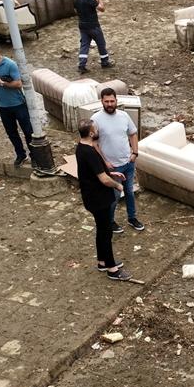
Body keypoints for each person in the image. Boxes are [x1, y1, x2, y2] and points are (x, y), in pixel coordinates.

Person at [76, 119, 131, 281]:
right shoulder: (90, 152)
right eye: (97, 129)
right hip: (98, 199)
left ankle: (102, 262)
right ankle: (112, 269)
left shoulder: (82, 148)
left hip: (92, 197)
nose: (99, 131)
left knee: (102, 230)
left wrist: (112, 174)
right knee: (106, 233)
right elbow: (103, 180)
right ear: (91, 133)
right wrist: (118, 186)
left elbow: (96, 172)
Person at [91, 88, 145, 232]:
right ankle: (109, 221)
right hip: (112, 167)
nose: (109, 104)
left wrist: (135, 153)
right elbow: (94, 144)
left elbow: (133, 134)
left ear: (116, 101)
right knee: (113, 197)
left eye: (112, 101)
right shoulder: (96, 119)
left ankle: (132, 218)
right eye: (106, 101)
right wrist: (105, 162)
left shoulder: (124, 116)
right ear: (101, 101)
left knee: (129, 192)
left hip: (128, 163)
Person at [0, 38, 33, 167]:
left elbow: (18, 83)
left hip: (17, 104)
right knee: (11, 132)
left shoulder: (10, 65)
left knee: (27, 131)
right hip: (2, 106)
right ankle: (20, 154)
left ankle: (34, 154)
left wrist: (3, 83)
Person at [74, 0, 112, 74]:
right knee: (101, 43)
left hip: (82, 25)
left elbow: (75, 9)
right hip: (93, 25)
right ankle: (105, 62)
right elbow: (102, 8)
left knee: (84, 44)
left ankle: (81, 65)